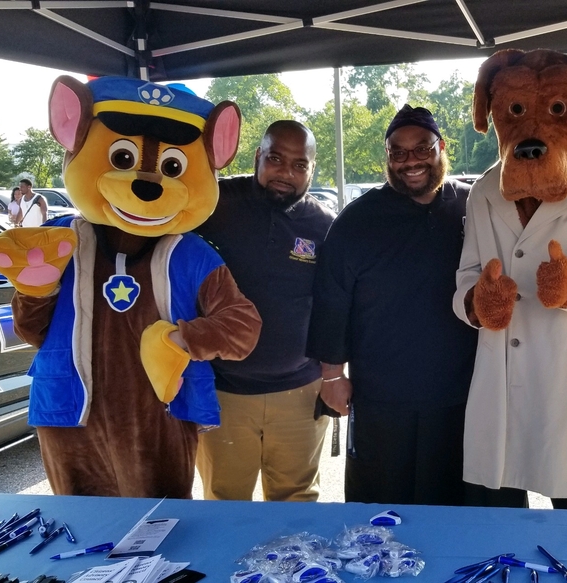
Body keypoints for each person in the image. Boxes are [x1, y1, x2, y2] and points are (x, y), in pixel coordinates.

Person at [307, 105, 477, 506]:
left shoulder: (474, 207)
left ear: (442, 148)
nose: (410, 161)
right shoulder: (356, 221)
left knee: (456, 507)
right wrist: (332, 377)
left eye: (422, 149)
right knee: (381, 511)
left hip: (464, 394)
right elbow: (332, 301)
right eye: (397, 152)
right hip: (381, 397)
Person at [194, 120, 335, 502]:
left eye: (299, 164)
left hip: (301, 392)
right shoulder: (213, 204)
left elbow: (337, 305)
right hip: (223, 391)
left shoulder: (324, 227)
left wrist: (335, 377)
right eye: (275, 158)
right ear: (258, 156)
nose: (286, 172)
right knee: (224, 501)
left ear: (311, 169)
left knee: (297, 501)